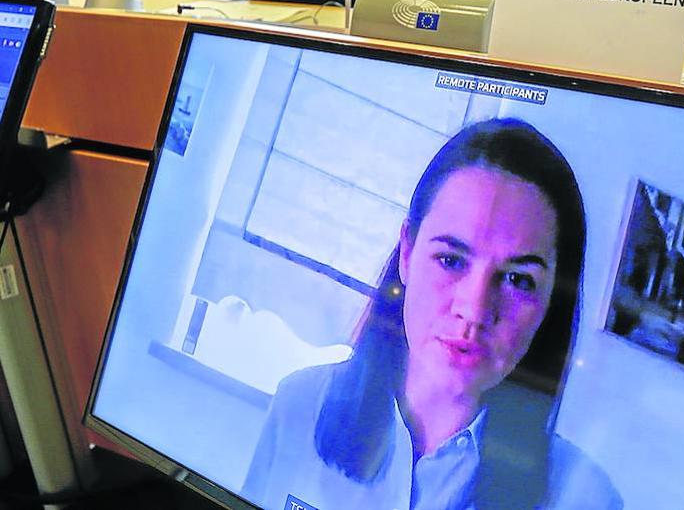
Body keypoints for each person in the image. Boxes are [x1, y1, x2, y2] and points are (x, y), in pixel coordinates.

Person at [241, 119, 622, 510]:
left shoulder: (584, 498)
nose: (473, 310)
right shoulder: (300, 405)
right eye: (450, 259)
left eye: (518, 280)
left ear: (551, 302)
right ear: (407, 253)